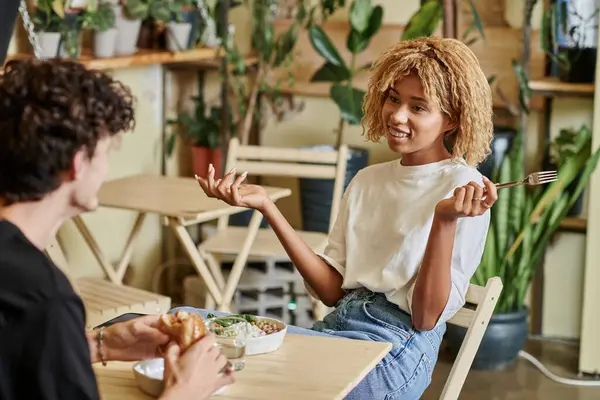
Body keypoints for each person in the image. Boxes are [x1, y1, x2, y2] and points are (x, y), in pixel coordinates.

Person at [191, 36, 499, 399]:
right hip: (336, 330)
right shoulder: (367, 180)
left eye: (418, 108)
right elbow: (333, 291)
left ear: (452, 120)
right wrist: (267, 208)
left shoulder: (464, 186)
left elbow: (425, 318)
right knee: (192, 328)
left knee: (252, 377)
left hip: (395, 352)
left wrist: (444, 221)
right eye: (393, 98)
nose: (397, 116)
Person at [0, 58, 234, 400]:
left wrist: (99, 344)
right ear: (78, 164)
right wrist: (185, 391)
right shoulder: (47, 299)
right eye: (106, 152)